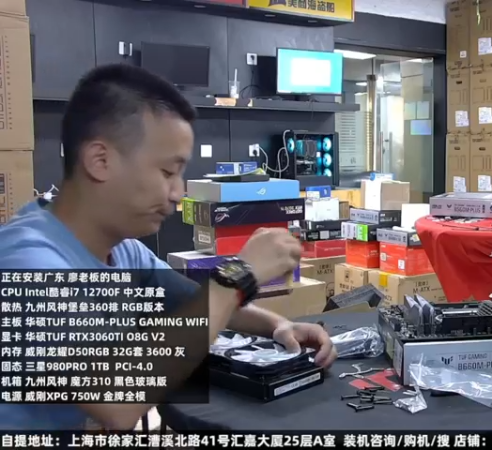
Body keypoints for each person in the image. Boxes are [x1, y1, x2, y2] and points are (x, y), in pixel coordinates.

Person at [0, 64, 337, 430]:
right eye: (167, 172)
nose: (178, 193)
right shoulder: (27, 261)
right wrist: (240, 273)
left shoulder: (123, 251)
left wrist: (278, 325)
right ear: (100, 161)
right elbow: (118, 407)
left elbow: (197, 301)